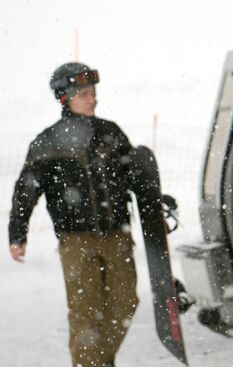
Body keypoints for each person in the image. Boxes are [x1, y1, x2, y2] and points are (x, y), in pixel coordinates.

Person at [8, 62, 138, 367]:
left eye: (92, 92)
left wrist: (155, 198)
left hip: (117, 236)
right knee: (85, 313)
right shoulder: (48, 141)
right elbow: (26, 189)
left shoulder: (110, 132)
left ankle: (97, 361)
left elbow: (133, 174)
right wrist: (17, 232)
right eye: (83, 94)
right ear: (64, 98)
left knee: (125, 303)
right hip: (76, 242)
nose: (92, 98)